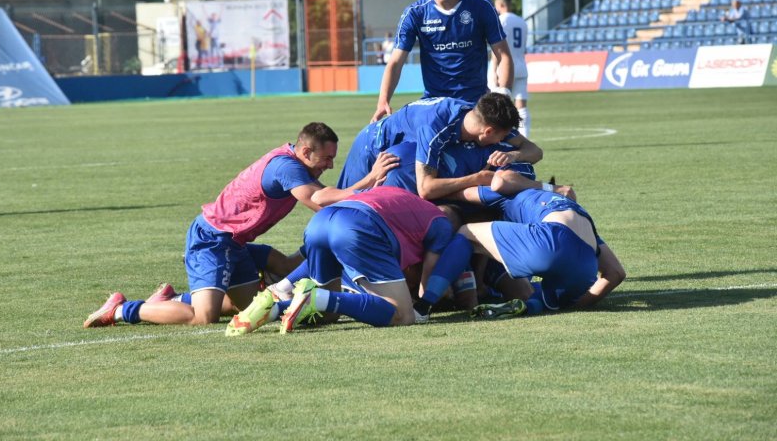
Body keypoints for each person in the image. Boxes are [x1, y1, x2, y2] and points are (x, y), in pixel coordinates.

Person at [83, 122, 399, 328]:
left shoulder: (293, 163)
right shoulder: (286, 168)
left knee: (244, 309)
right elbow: (316, 200)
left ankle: (175, 298)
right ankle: (125, 309)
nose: (330, 165)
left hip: (235, 244)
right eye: (327, 158)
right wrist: (369, 181)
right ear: (305, 151)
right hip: (212, 239)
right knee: (203, 317)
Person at [225, 186, 477, 335]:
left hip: (320, 223)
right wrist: (425, 303)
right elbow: (427, 282)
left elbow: (323, 198)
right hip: (358, 229)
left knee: (328, 316)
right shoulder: (442, 225)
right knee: (404, 316)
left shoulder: (397, 195)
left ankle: (274, 302)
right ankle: (315, 297)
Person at [371, 0, 514, 123]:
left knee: (519, 149)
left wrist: (504, 94)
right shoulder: (415, 13)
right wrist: (383, 101)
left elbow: (504, 55)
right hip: (435, 103)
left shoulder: (481, 6)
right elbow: (395, 62)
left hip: (475, 103)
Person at [459, 180, 625, 316]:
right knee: (545, 300)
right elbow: (616, 273)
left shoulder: (509, 193)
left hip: (550, 240)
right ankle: (532, 306)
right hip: (586, 265)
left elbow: (463, 194)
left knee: (464, 232)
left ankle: (464, 297)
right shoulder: (575, 210)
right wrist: (575, 307)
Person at [337, 92, 540, 202]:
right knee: (341, 204)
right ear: (488, 131)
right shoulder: (435, 129)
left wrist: (513, 155)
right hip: (371, 144)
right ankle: (311, 273)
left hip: (395, 145)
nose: (501, 143)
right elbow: (425, 189)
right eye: (501, 138)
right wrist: (477, 179)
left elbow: (535, 151)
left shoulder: (477, 115)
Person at [488, 0, 531, 137]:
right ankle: (524, 138)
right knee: (521, 107)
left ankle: (500, 139)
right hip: (521, 66)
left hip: (505, 68)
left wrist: (494, 71)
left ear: (500, 4)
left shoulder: (501, 20)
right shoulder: (522, 22)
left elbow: (498, 48)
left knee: (498, 106)